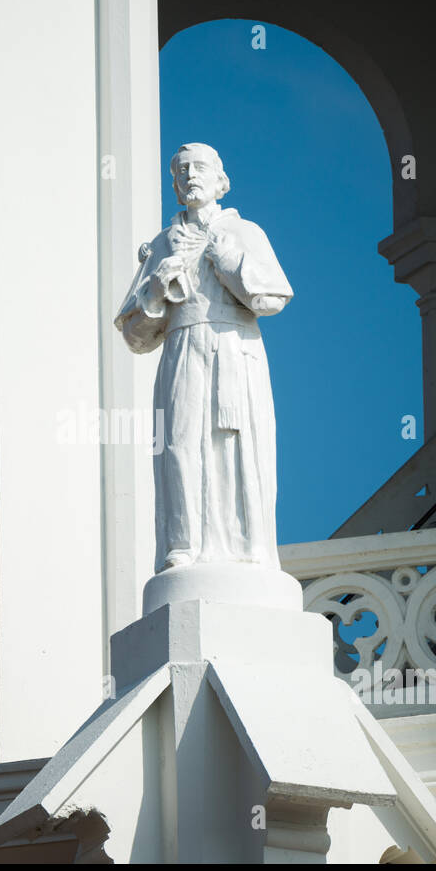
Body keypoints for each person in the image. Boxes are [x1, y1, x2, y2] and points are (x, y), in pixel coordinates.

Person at [115, 143, 293, 572]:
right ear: (175, 185)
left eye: (200, 168)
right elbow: (136, 336)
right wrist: (156, 288)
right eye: (180, 171)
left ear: (220, 180)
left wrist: (222, 255)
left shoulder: (244, 232)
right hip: (182, 350)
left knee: (237, 444)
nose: (190, 175)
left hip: (235, 346)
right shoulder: (161, 244)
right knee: (181, 442)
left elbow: (271, 298)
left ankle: (250, 546)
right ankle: (184, 545)